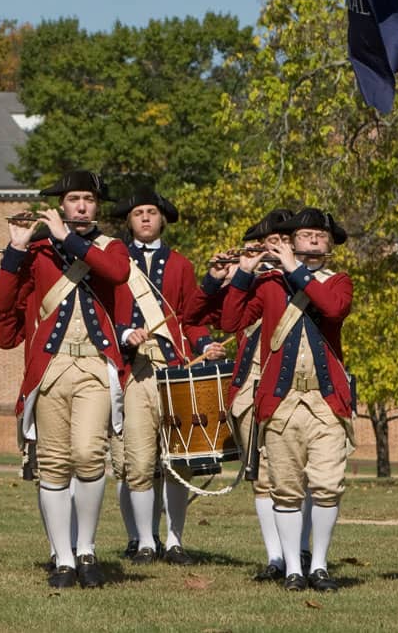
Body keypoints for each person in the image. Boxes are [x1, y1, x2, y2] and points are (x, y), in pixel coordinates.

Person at [0, 170, 130, 589]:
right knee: (53, 464)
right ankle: (62, 557)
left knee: (88, 454)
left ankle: (86, 548)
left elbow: (115, 273)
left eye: (88, 199)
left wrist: (66, 236)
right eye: (73, 199)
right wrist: (15, 247)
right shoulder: (37, 251)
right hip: (49, 368)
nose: (82, 206)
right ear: (61, 205)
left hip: (93, 368)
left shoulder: (109, 247)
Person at [222, 207, 353, 593]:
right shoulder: (268, 284)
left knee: (328, 485)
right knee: (286, 487)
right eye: (305, 234)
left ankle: (321, 564)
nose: (313, 239)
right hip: (280, 400)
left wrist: (294, 268)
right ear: (292, 240)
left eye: (320, 235)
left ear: (329, 244)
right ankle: (293, 567)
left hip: (324, 399)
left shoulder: (338, 281)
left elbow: (332, 308)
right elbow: (231, 323)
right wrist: (244, 271)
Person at [111, 188, 219, 566]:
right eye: (138, 212)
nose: (144, 218)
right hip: (135, 371)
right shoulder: (114, 262)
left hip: (175, 371)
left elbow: (192, 318)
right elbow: (104, 316)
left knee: (177, 462)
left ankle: (173, 541)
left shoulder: (181, 266)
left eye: (151, 212)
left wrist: (205, 344)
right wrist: (126, 333)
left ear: (162, 219)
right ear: (129, 219)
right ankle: (143, 541)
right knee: (138, 464)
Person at [192, 208, 294, 581]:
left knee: (299, 474)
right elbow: (200, 315)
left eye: (285, 240)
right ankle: (276, 558)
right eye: (272, 242)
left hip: (297, 386)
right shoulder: (247, 281)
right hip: (253, 385)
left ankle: (301, 553)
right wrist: (225, 277)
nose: (278, 248)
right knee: (264, 476)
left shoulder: (310, 279)